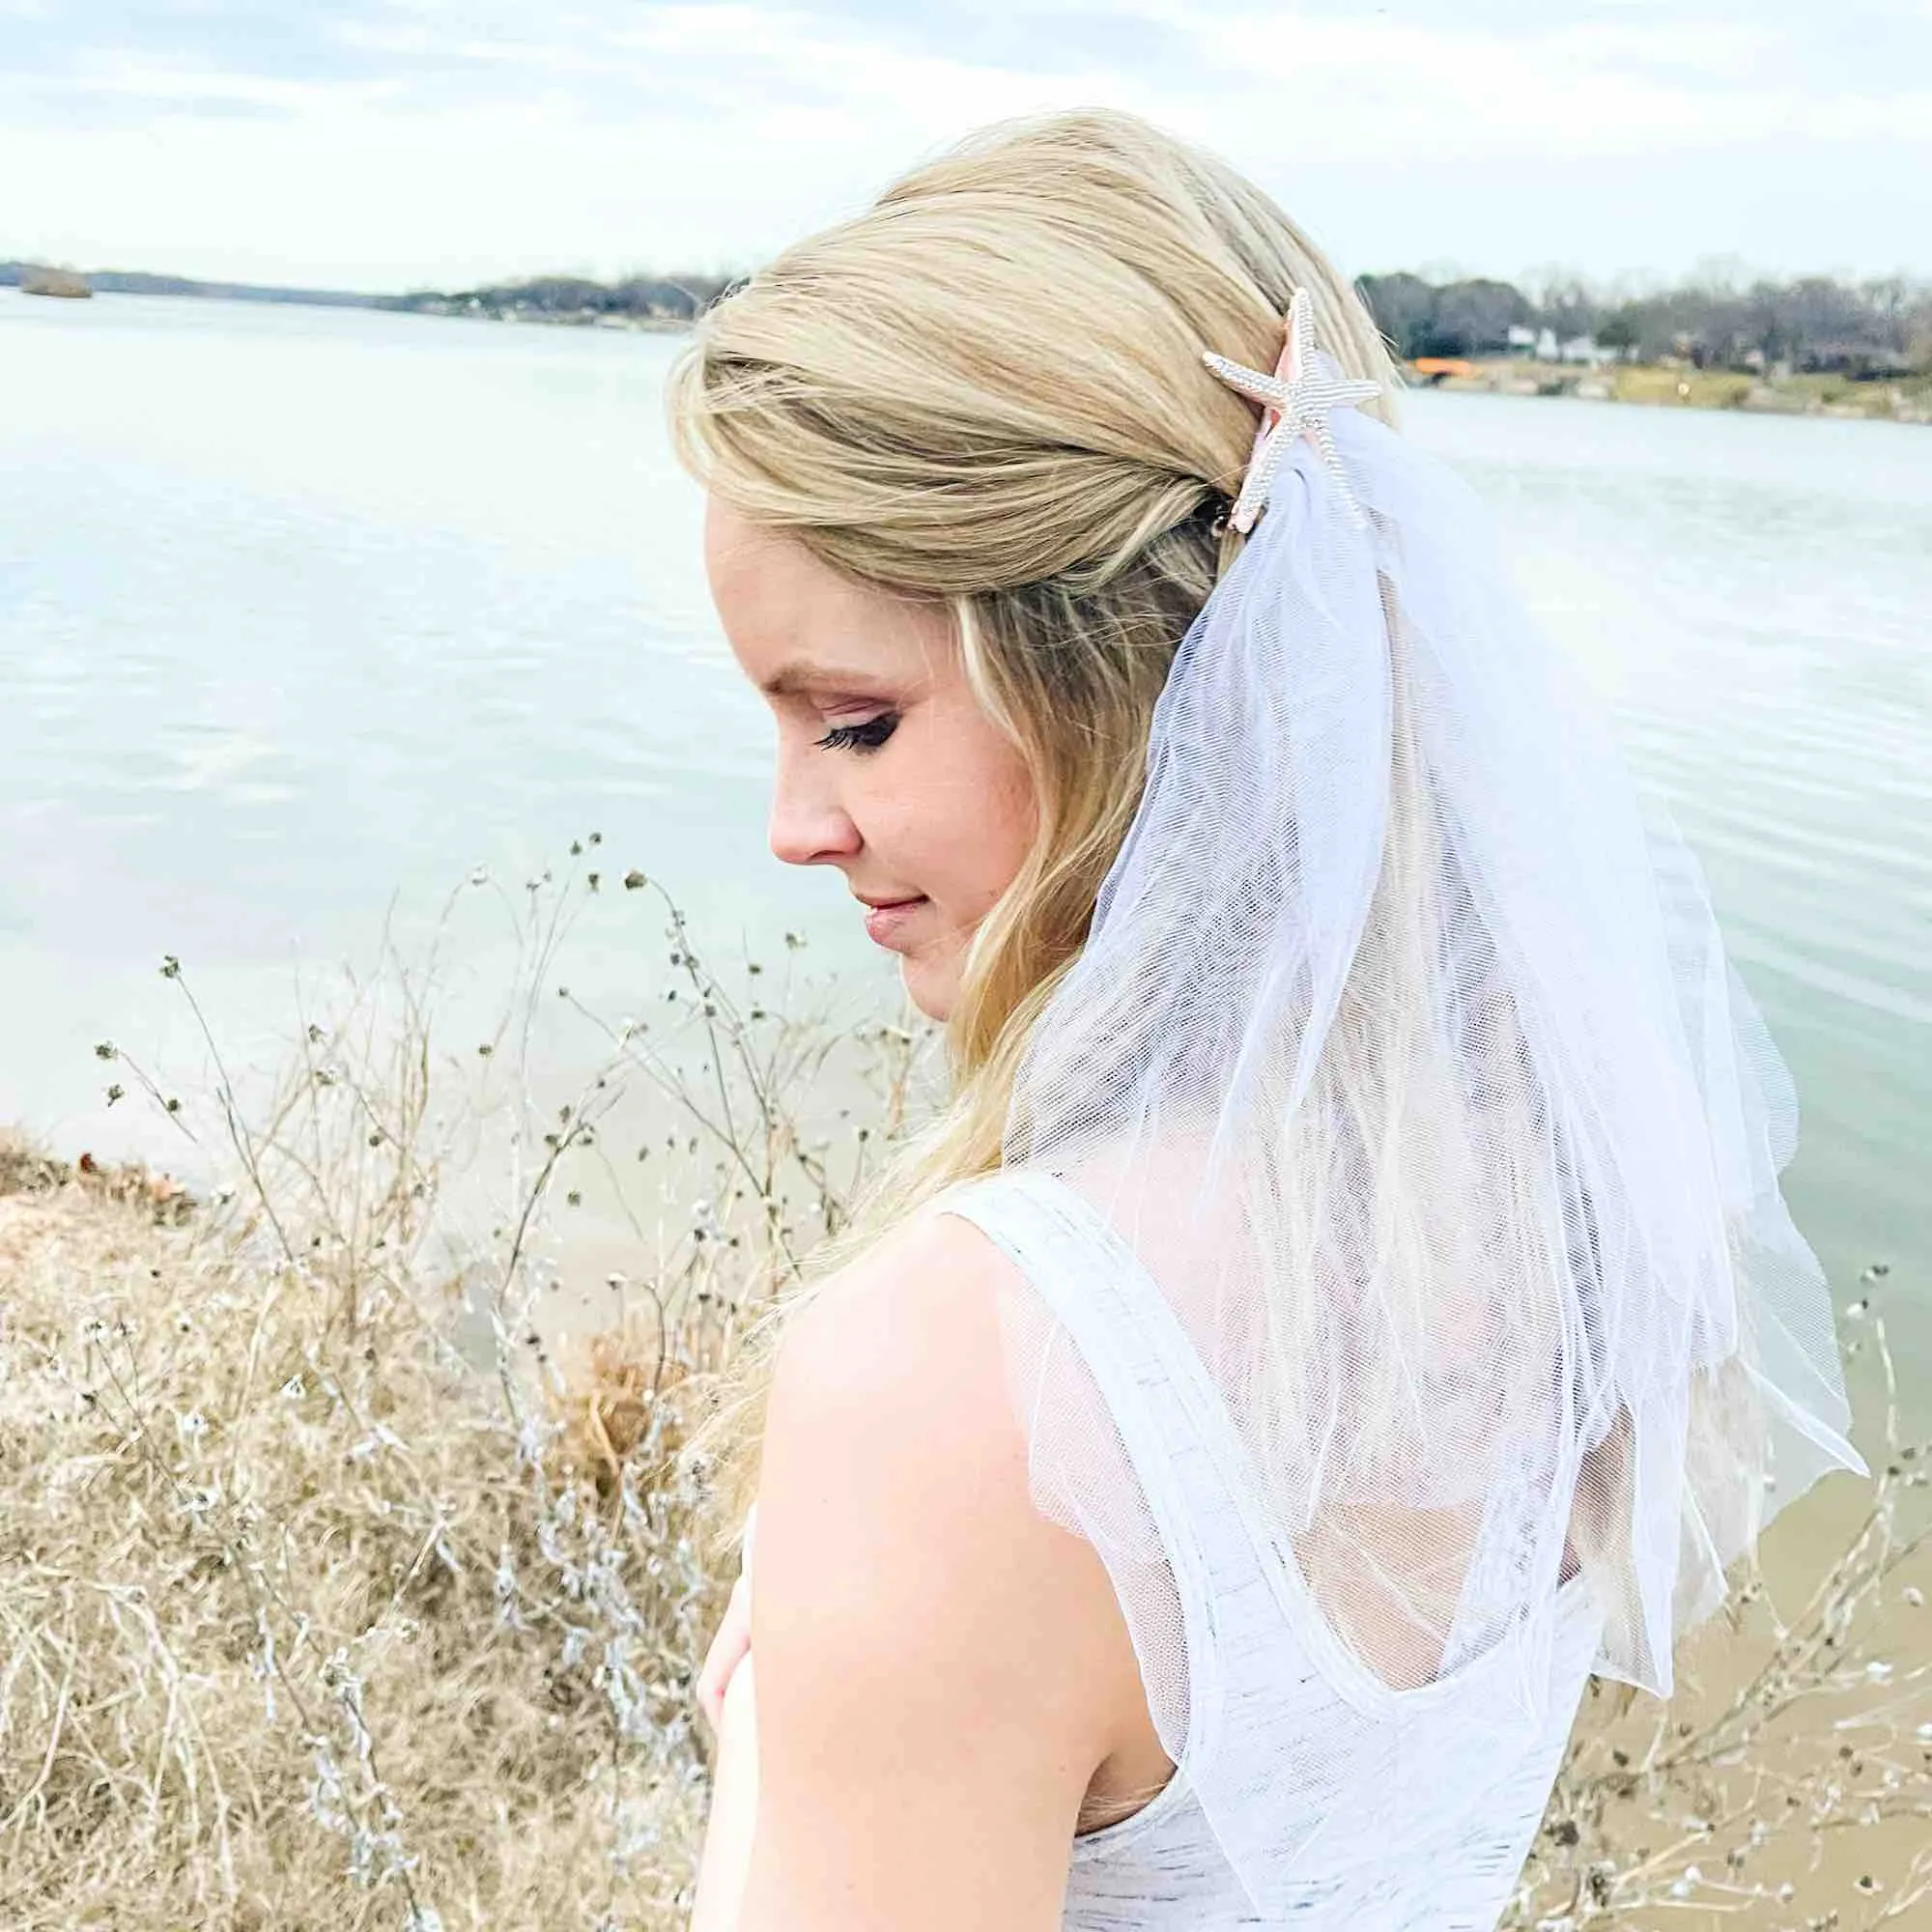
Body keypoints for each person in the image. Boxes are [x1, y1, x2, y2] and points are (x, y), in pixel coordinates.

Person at [668, 108, 1864, 1932]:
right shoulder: (1562, 1183)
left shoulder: (956, 1375)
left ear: (1119, 685)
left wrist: (759, 1753)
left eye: (854, 720)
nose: (794, 825)